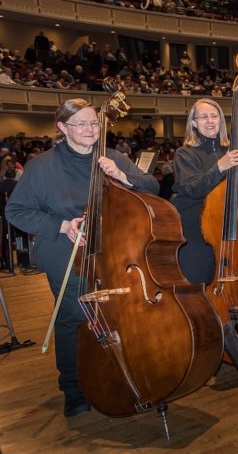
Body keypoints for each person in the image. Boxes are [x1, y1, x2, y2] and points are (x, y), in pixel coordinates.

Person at [4, 98, 159, 417]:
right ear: (62, 128)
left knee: (118, 317)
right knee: (75, 320)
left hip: (115, 253)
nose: (90, 130)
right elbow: (15, 210)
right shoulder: (42, 166)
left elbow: (152, 187)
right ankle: (74, 389)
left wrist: (121, 174)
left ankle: (119, 375)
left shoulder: (112, 157)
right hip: (67, 256)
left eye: (94, 124)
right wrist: (61, 225)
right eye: (82, 124)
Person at [171, 98, 238, 285]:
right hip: (197, 233)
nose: (210, 121)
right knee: (200, 284)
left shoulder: (231, 151)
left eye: (214, 116)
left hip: (228, 230)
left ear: (220, 120)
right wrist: (220, 167)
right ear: (194, 123)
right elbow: (193, 188)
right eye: (203, 117)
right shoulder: (184, 154)